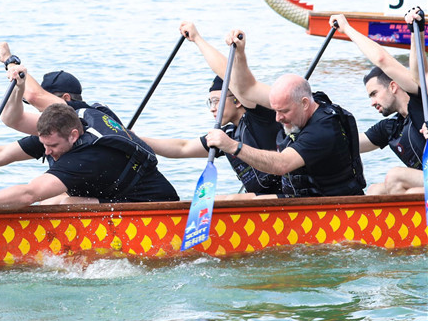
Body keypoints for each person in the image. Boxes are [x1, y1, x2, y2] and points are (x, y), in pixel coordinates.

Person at [0, 64, 178, 211]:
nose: (47, 151)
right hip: (112, 194)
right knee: (53, 199)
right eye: (44, 145)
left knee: (64, 201)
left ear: (74, 136)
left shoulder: (87, 156)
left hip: (153, 206)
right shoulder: (61, 127)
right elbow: (2, 153)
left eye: (53, 146)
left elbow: (29, 193)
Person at [204, 31, 366, 198]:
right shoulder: (299, 99)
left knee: (234, 201)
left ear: (304, 103)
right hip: (300, 200)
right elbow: (246, 88)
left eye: (284, 111)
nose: (278, 118)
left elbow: (282, 165)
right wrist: (239, 52)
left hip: (331, 205)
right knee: (222, 200)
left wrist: (233, 146)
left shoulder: (323, 129)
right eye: (275, 110)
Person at [142, 23, 282, 197]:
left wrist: (197, 39)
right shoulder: (228, 134)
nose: (213, 109)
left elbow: (231, 76)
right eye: (210, 103)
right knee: (213, 199)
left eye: (217, 101)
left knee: (226, 200)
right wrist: (137, 138)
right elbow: (182, 148)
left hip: (286, 197)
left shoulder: (260, 116)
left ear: (238, 100)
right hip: (260, 198)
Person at [330, 13, 424, 194]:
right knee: (375, 190)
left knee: (396, 176)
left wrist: (347, 28)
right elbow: (349, 144)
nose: (372, 103)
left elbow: (383, 60)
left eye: (374, 94)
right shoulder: (391, 128)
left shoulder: (421, 101)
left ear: (393, 86)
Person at [0, 42, 123, 122]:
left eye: (43, 105)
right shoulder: (57, 132)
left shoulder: (84, 114)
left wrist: (9, 60)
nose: (40, 111)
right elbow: (12, 122)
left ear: (66, 98)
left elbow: (34, 96)